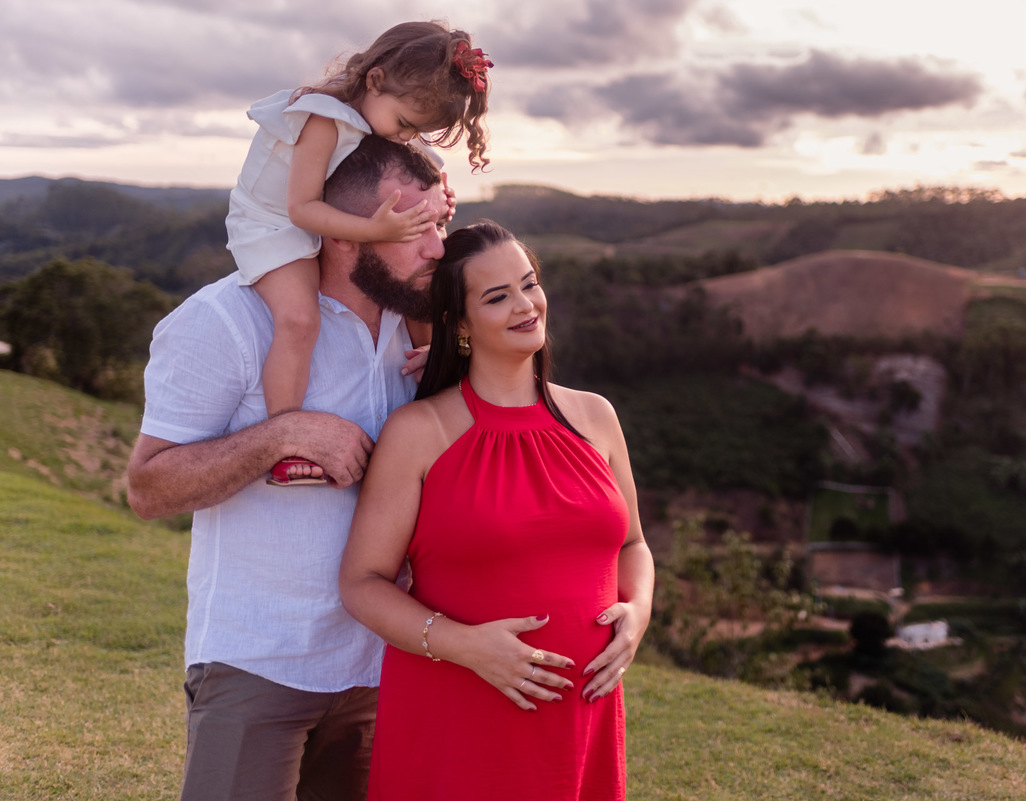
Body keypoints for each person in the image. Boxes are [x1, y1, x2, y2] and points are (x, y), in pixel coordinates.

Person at [126, 135, 449, 801]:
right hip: (257, 661)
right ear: (346, 235)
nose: (437, 248)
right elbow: (149, 487)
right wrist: (284, 433)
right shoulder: (227, 319)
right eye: (417, 228)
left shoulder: (423, 329)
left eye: (441, 222)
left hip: (383, 666)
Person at [339, 221, 655, 800]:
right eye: (496, 296)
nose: (525, 305)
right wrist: (465, 645)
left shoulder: (596, 416)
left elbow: (633, 544)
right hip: (458, 716)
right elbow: (362, 583)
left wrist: (637, 614)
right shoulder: (419, 431)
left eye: (528, 284)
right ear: (459, 325)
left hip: (581, 717)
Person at [225, 20, 492, 485]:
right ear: (374, 80)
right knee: (299, 320)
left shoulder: (378, 118)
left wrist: (436, 204)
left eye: (417, 131)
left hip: (329, 223)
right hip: (273, 225)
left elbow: (418, 169)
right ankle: (287, 437)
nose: (406, 137)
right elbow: (301, 208)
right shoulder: (324, 117)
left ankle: (435, 370)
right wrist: (373, 229)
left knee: (417, 285)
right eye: (406, 124)